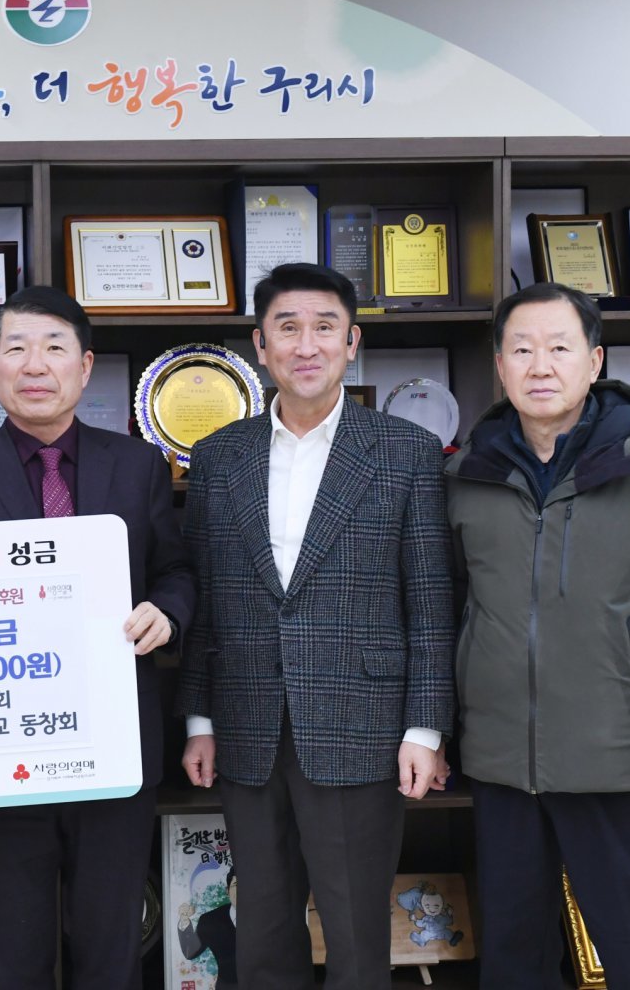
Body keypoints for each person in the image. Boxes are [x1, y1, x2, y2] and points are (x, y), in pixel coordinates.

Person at [445, 283, 630, 989]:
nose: (540, 366)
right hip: (501, 764)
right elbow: (451, 609)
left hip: (620, 758)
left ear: (594, 360)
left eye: (559, 347)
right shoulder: (467, 474)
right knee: (514, 961)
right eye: (522, 350)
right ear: (500, 365)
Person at [177, 262, 454, 990]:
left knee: (357, 933)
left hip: (363, 725)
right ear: (260, 345)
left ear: (352, 343)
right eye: (288, 328)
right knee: (263, 931)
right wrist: (199, 719)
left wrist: (425, 728)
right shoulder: (217, 456)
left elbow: (431, 603)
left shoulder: (405, 452)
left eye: (325, 328)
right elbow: (207, 595)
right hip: (246, 723)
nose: (307, 345)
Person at [0, 285, 194, 990]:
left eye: (54, 347)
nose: (35, 365)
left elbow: (176, 571)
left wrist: (167, 612)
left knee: (111, 950)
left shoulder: (137, 464)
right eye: (16, 348)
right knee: (16, 955)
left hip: (113, 744)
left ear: (85, 365)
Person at [178, 867, 239, 989]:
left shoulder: (265, 917)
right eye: (236, 885)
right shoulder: (210, 920)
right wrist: (184, 920)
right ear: (227, 891)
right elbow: (190, 952)